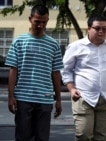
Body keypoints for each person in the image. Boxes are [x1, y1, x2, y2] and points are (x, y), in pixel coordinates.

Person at [4, 4, 64, 141]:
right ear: (30, 19)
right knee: (22, 137)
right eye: (37, 21)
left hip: (45, 99)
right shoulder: (19, 42)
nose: (41, 25)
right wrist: (11, 96)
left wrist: (59, 99)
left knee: (42, 138)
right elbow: (13, 70)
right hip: (23, 99)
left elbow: (56, 73)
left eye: (44, 22)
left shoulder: (53, 44)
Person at [61, 14, 106, 141]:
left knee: (101, 137)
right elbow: (66, 70)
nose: (101, 32)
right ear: (89, 28)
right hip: (84, 97)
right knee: (84, 136)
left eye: (105, 29)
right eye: (97, 28)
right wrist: (71, 89)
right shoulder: (76, 46)